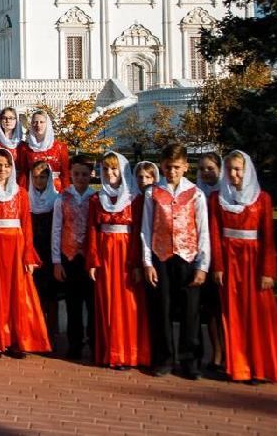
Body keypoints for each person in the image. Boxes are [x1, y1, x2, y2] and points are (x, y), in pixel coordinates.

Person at [209, 151, 277, 384]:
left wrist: (268, 271)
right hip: (228, 261)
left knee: (258, 314)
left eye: (238, 169)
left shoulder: (262, 198)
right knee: (232, 313)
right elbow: (214, 234)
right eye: (230, 169)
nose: (234, 174)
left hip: (253, 262)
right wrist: (217, 265)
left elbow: (268, 237)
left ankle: (260, 366)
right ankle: (238, 366)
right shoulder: (217, 198)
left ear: (247, 171)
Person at [141, 143, 210, 379]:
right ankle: (164, 359)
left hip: (188, 256)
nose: (172, 172)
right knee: (162, 309)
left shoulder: (196, 193)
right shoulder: (152, 193)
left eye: (177, 167)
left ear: (185, 167)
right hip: (161, 256)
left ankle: (190, 360)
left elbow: (203, 231)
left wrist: (202, 265)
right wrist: (147, 262)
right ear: (162, 166)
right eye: (168, 167)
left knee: (191, 311)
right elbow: (146, 229)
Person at [0, 149, 51, 358]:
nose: (2, 169)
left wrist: (28, 256)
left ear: (12, 168)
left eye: (6, 166)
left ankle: (17, 340)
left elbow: (27, 228)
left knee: (17, 294)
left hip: (16, 250)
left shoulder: (21, 193)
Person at [86, 151, 149, 371]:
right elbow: (92, 231)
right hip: (104, 256)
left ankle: (127, 353)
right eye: (105, 169)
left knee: (127, 305)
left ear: (122, 171)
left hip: (125, 258)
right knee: (107, 304)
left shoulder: (135, 199)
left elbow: (139, 231)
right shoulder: (97, 199)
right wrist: (93, 261)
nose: (110, 173)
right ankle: (109, 352)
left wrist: (135, 263)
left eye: (114, 169)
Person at [52, 156, 97, 360]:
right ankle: (74, 343)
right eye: (77, 174)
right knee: (73, 302)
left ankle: (95, 343)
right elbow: (57, 230)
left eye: (85, 174)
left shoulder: (96, 199)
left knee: (92, 302)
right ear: (70, 174)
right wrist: (57, 261)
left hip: (89, 258)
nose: (80, 178)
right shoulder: (62, 198)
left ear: (91, 175)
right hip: (69, 256)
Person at [196, 151, 224, 373]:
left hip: (226, 255)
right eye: (202, 169)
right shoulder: (197, 193)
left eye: (210, 168)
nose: (206, 173)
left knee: (227, 307)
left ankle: (233, 352)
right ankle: (216, 352)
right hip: (202, 254)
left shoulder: (227, 193)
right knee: (210, 308)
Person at [26, 161, 60, 344]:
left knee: (51, 295)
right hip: (32, 251)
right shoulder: (26, 198)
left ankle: (51, 334)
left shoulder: (56, 199)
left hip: (50, 251)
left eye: (43, 177)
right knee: (34, 293)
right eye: (36, 177)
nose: (39, 181)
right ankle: (34, 332)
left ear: (49, 178)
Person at [17, 111, 69, 191]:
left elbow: (65, 174)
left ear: (47, 124)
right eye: (35, 122)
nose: (38, 125)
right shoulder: (25, 148)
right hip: (34, 190)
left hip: (56, 190)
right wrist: (21, 192)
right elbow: (24, 174)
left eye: (42, 122)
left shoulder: (60, 147)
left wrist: (66, 194)